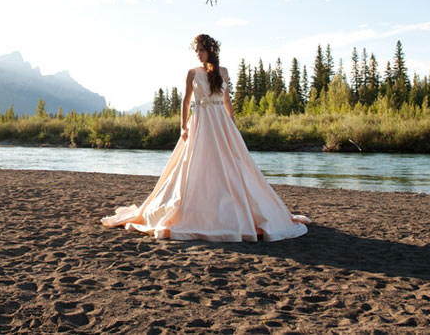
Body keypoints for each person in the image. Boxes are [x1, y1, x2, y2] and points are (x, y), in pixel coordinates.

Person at [101, 34, 310, 242]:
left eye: (201, 50)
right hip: (201, 121)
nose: (198, 54)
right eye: (196, 51)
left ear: (210, 50)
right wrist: (183, 126)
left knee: (234, 165)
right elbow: (185, 101)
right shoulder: (192, 73)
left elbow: (227, 100)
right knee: (195, 165)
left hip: (221, 122)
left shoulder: (224, 72)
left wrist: (233, 123)